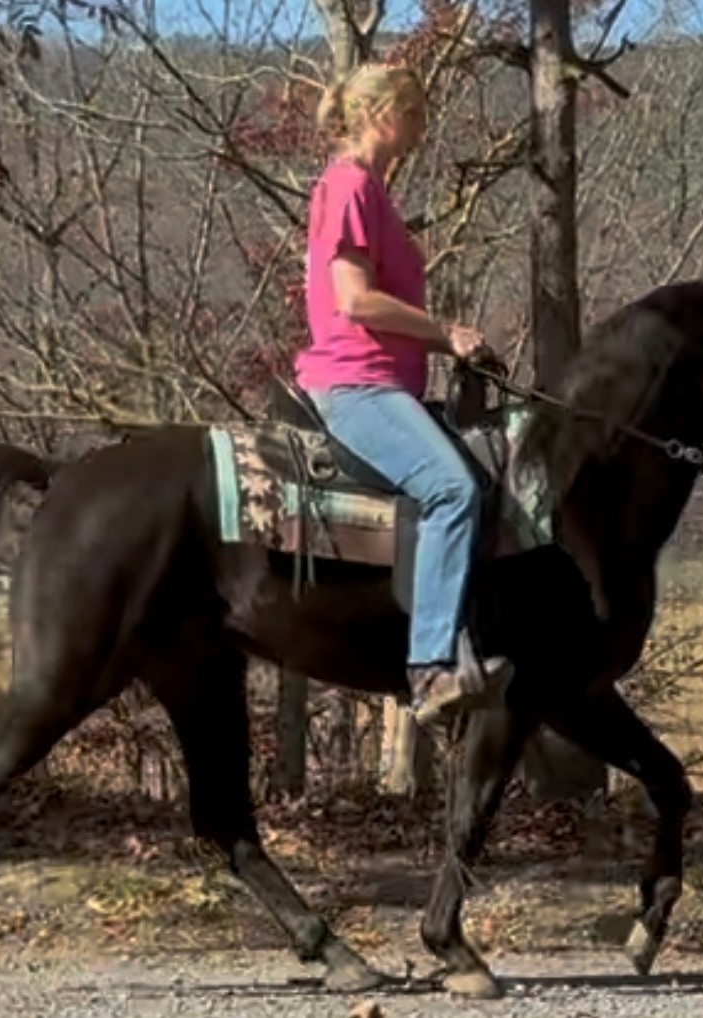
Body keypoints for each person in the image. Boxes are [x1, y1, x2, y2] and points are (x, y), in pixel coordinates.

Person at [297, 63, 506, 727]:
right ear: (376, 113)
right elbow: (355, 300)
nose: (421, 127)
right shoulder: (350, 186)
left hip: (386, 385)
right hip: (356, 384)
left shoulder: (371, 191)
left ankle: (471, 636)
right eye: (412, 113)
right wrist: (445, 336)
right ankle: (430, 667)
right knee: (452, 490)